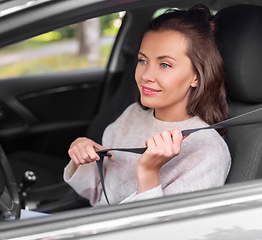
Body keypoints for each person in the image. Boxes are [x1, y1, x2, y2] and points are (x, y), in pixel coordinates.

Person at [64, 5, 231, 206]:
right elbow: (101, 197)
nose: (145, 76)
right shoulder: (132, 115)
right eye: (143, 60)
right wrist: (82, 158)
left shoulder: (207, 151)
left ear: (197, 76)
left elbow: (169, 232)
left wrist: (149, 173)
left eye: (165, 64)